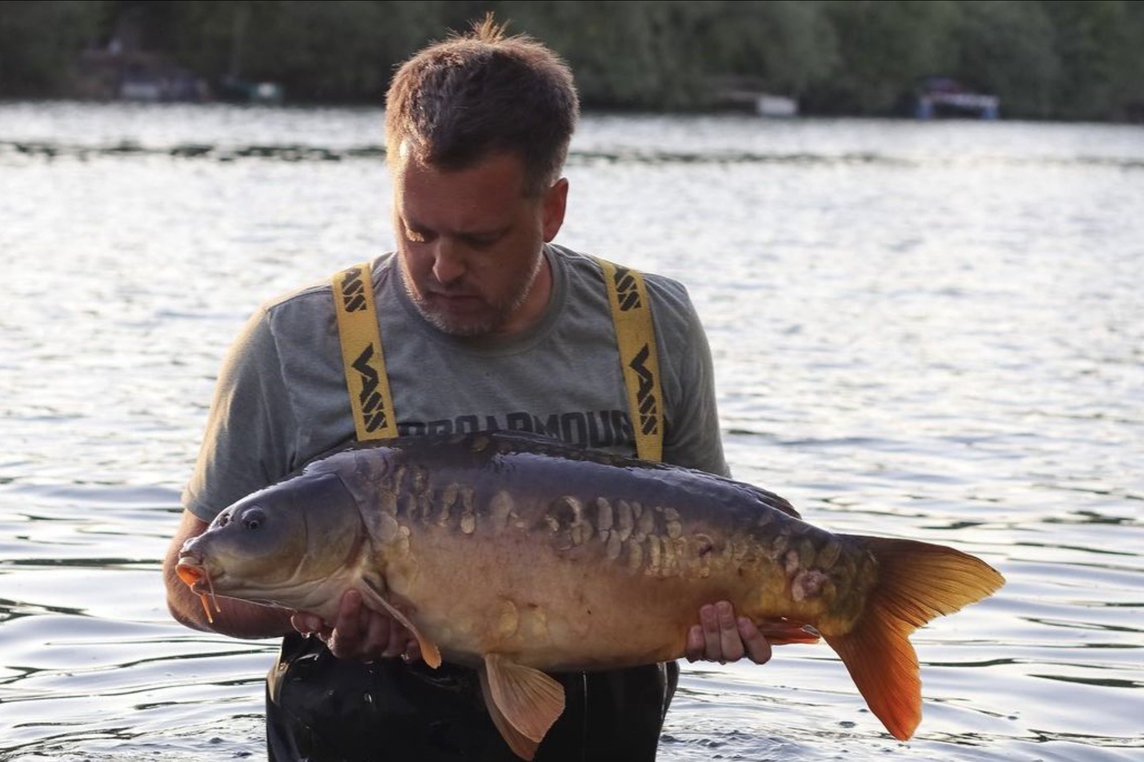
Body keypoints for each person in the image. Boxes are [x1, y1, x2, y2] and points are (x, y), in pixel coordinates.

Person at [163, 17, 771, 762]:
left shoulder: (650, 325)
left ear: (551, 209)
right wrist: (311, 614)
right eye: (417, 230)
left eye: (478, 239)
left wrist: (728, 617)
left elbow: (717, 534)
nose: (442, 267)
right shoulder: (295, 342)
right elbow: (188, 582)